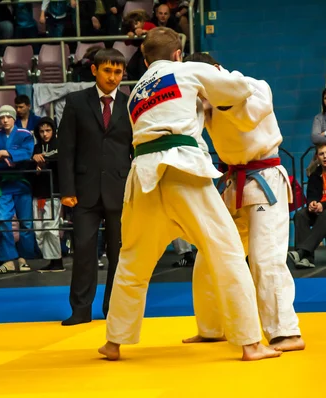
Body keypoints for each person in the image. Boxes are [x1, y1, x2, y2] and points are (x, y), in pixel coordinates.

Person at [98, 27, 280, 362]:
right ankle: (251, 343)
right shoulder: (185, 70)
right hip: (183, 169)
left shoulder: (135, 91)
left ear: (147, 58)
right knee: (226, 252)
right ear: (178, 54)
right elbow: (237, 90)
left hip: (143, 177)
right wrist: (219, 79)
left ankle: (114, 341)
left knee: (133, 262)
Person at [181, 53, 303, 352]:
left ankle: (286, 331)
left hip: (264, 181)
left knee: (265, 255)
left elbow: (250, 116)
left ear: (214, 71)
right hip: (234, 183)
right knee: (210, 255)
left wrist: (217, 99)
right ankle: (212, 328)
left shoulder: (252, 85)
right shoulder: (203, 100)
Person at [57, 49, 133, 325]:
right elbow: (66, 149)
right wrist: (66, 190)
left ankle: (114, 309)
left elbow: (136, 150)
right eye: (107, 71)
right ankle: (80, 310)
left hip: (121, 190)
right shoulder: (77, 102)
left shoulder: (129, 104)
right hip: (83, 191)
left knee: (119, 255)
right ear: (94, 71)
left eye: (118, 72)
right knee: (84, 251)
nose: (112, 77)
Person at [0, 105, 35, 273]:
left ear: (14, 118)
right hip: (3, 184)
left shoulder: (25, 134)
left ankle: (24, 258)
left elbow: (27, 153)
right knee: (3, 221)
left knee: (25, 222)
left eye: (8, 117)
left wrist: (4, 152)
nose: (5, 120)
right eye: (2, 117)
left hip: (22, 183)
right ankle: (8, 259)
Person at [32, 117, 64, 273]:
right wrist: (34, 162)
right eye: (42, 131)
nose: (45, 134)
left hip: (54, 193)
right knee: (39, 229)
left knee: (51, 227)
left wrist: (43, 161)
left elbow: (61, 161)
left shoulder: (59, 146)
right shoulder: (36, 148)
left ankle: (58, 261)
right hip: (39, 193)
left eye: (48, 130)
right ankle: (51, 260)